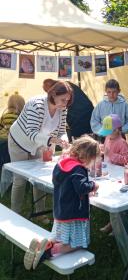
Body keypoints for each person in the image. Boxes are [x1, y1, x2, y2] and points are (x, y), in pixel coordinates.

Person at [23, 135, 100, 270]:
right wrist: (93, 185)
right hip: (73, 213)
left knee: (61, 236)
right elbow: (81, 187)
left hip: (61, 209)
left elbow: (60, 182)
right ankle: (48, 252)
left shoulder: (62, 164)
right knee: (76, 244)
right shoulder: (78, 169)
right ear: (87, 157)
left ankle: (44, 244)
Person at [8, 79, 73, 221]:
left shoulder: (63, 109)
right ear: (54, 95)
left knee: (39, 178)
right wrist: (51, 141)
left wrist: (65, 143)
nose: (65, 104)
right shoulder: (36, 104)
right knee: (19, 180)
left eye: (68, 101)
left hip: (39, 144)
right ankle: (15, 215)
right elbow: (30, 132)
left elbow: (61, 131)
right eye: (63, 100)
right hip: (19, 141)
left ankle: (40, 213)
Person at [98, 114, 128, 234]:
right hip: (109, 173)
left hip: (119, 175)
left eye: (109, 131)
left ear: (117, 130)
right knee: (111, 197)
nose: (107, 134)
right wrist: (102, 151)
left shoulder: (122, 142)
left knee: (118, 200)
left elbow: (127, 159)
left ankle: (116, 225)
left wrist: (110, 154)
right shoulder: (108, 138)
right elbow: (106, 154)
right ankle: (113, 223)